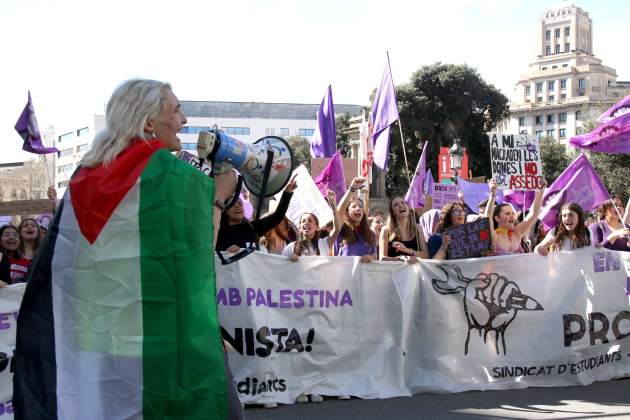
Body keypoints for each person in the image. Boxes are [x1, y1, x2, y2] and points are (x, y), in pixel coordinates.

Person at [13, 79, 243, 420]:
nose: (183, 120)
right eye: (177, 110)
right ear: (149, 122)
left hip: (104, 341)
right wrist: (218, 196)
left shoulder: (84, 176)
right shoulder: (170, 176)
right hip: (167, 337)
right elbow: (195, 259)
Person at [216, 176, 297, 252]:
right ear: (224, 210)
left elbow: (277, 216)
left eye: (240, 204)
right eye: (233, 204)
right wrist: (226, 252)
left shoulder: (252, 228)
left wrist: (287, 192)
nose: (238, 206)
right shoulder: (217, 233)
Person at [485, 179, 545, 255]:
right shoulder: (494, 236)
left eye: (513, 213)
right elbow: (487, 217)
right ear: (497, 218)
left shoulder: (517, 232)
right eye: (507, 214)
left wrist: (540, 191)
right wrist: (493, 194)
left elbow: (534, 213)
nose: (512, 216)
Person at [282, 190, 340, 259]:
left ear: (317, 227)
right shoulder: (291, 247)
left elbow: (337, 229)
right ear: (300, 228)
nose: (306, 223)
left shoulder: (324, 243)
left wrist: (333, 205)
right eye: (303, 221)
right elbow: (281, 265)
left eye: (310, 221)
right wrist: (289, 262)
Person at [334, 178, 377, 262]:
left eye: (360, 206)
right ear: (346, 212)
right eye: (354, 206)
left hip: (363, 274)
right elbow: (338, 212)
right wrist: (352, 188)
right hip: (343, 273)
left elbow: (374, 256)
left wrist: (370, 258)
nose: (358, 208)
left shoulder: (370, 234)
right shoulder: (341, 229)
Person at [379, 196, 429, 262]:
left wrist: (407, 250)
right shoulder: (386, 230)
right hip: (394, 271)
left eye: (403, 203)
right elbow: (382, 258)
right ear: (393, 212)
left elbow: (426, 256)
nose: (400, 205)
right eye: (396, 205)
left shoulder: (417, 228)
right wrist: (400, 258)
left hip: (414, 271)